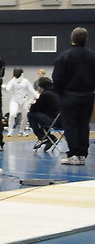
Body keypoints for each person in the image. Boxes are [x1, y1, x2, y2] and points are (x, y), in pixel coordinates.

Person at [52, 27, 95, 166]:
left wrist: (59, 93)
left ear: (72, 39)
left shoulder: (65, 56)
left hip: (69, 96)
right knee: (84, 124)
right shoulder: (92, 56)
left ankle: (74, 154)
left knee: (70, 125)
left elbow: (57, 78)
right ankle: (82, 154)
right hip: (88, 96)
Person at [28, 77, 61, 152]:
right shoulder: (57, 92)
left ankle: (42, 137)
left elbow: (34, 108)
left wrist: (31, 106)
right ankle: (48, 137)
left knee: (30, 114)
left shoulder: (45, 94)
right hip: (63, 121)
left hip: (55, 121)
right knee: (42, 116)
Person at [4, 68, 37, 137]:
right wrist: (3, 87)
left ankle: (21, 131)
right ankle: (10, 131)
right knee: (12, 114)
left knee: (25, 116)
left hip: (24, 100)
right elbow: (8, 89)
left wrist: (38, 96)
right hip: (15, 100)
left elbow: (31, 89)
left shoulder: (25, 81)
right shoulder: (12, 81)